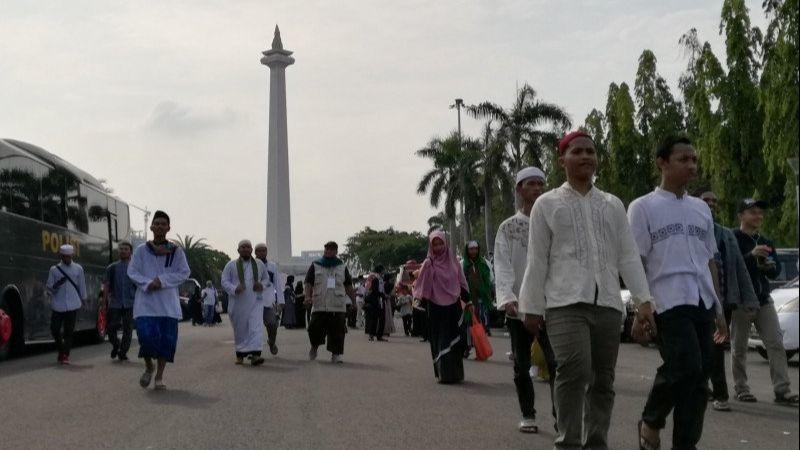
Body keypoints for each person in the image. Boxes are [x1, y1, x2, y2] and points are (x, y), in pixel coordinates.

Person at [519, 131, 653, 449]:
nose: (585, 157)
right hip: (565, 303)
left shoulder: (612, 205)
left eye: (590, 152)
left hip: (607, 303)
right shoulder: (547, 204)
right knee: (574, 371)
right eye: (577, 151)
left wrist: (643, 300)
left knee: (604, 379)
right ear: (561, 159)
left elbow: (628, 256)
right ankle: (568, 441)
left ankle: (596, 442)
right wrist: (532, 306)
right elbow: (537, 259)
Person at [629, 135, 728, 450]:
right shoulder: (642, 207)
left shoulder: (701, 209)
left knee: (699, 380)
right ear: (662, 163)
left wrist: (720, 309)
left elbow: (708, 259)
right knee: (685, 365)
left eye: (694, 160)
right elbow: (636, 262)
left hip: (702, 299)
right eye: (684, 159)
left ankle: (685, 444)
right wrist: (639, 308)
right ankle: (652, 419)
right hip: (667, 300)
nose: (692, 166)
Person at [494, 166, 557, 433]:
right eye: (531, 184)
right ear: (520, 189)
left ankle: (561, 416)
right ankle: (528, 414)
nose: (537, 189)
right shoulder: (509, 227)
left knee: (556, 362)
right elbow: (503, 263)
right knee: (522, 364)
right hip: (519, 307)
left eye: (541, 184)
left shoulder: (552, 221)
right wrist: (508, 297)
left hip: (550, 305)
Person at [731, 198, 799, 406]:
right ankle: (741, 388)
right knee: (739, 347)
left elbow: (776, 270)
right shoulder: (732, 238)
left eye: (760, 212)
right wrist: (751, 256)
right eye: (753, 212)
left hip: (763, 299)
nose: (758, 216)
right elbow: (731, 266)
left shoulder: (767, 241)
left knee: (776, 343)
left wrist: (769, 267)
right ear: (741, 215)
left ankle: (782, 390)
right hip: (741, 300)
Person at [699, 191, 759, 412]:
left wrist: (749, 298)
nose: (712, 204)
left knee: (715, 347)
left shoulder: (725, 234)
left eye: (715, 201)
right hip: (697, 299)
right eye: (707, 201)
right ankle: (702, 388)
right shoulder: (691, 231)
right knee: (701, 347)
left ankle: (721, 394)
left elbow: (739, 268)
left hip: (723, 300)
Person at [128, 210, 191, 390]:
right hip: (146, 305)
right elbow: (132, 272)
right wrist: (148, 283)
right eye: (157, 223)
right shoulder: (141, 251)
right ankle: (149, 365)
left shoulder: (176, 252)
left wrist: (162, 281)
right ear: (151, 226)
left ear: (169, 228)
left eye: (164, 224)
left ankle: (159, 377)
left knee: (166, 342)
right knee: (145, 338)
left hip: (167, 306)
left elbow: (184, 272)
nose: (160, 226)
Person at [413, 230, 471, 384]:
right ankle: (444, 374)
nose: (438, 247)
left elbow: (462, 281)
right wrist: (421, 302)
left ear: (445, 243)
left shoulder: (453, 261)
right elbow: (422, 286)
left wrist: (468, 301)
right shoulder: (428, 263)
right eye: (435, 244)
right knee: (441, 341)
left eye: (440, 243)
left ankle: (457, 374)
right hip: (436, 308)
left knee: (456, 341)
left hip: (453, 307)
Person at [303, 241, 356, 363]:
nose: (329, 251)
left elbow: (348, 286)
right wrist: (307, 297)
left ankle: (336, 355)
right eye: (327, 249)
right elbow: (308, 283)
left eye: (332, 249)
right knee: (313, 328)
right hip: (319, 304)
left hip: (337, 305)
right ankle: (314, 347)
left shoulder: (342, 266)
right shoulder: (316, 265)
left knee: (337, 331)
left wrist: (353, 302)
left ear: (336, 252)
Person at [222, 240, 268, 366]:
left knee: (255, 328)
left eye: (248, 247)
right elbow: (224, 281)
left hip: (255, 303)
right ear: (238, 250)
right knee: (241, 330)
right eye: (243, 247)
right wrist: (234, 288)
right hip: (238, 304)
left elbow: (266, 279)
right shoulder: (230, 265)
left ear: (251, 250)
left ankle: (255, 356)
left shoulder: (259, 264)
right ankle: (240, 354)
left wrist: (261, 285)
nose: (246, 249)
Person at [46, 244, 87, 365]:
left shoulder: (78, 269)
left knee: (69, 331)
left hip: (73, 304)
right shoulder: (54, 270)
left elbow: (82, 285)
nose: (67, 259)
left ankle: (65, 355)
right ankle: (62, 350)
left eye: (69, 257)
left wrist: (84, 299)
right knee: (54, 329)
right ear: (61, 256)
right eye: (65, 257)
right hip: (58, 304)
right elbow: (49, 287)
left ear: (72, 255)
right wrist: (57, 285)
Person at [103, 241, 136, 361]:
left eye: (126, 249)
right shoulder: (112, 268)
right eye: (121, 249)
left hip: (130, 303)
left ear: (130, 252)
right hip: (115, 303)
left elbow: (140, 285)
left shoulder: (135, 268)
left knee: (128, 328)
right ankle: (116, 345)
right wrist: (104, 303)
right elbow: (106, 285)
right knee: (111, 327)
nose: (123, 251)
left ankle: (123, 352)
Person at [462, 240, 494, 358]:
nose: (473, 251)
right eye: (471, 249)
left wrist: (482, 287)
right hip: (467, 300)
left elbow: (491, 279)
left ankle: (480, 349)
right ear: (467, 250)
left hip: (481, 300)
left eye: (475, 248)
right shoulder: (462, 264)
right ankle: (467, 347)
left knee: (480, 324)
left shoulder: (484, 263)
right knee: (468, 324)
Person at [254, 243, 285, 356]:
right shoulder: (250, 266)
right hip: (254, 303)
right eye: (259, 251)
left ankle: (272, 342)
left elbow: (278, 284)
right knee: (254, 328)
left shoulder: (272, 266)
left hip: (268, 302)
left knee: (272, 324)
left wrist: (281, 302)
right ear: (255, 253)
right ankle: (255, 352)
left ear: (266, 252)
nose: (262, 253)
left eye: (264, 251)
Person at [364, 265, 387, 341]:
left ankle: (379, 336)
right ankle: (371, 335)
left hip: (381, 301)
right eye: (383, 269)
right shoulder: (375, 279)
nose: (384, 271)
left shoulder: (381, 279)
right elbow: (375, 290)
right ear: (380, 270)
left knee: (382, 319)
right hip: (376, 301)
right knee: (374, 319)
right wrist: (383, 295)